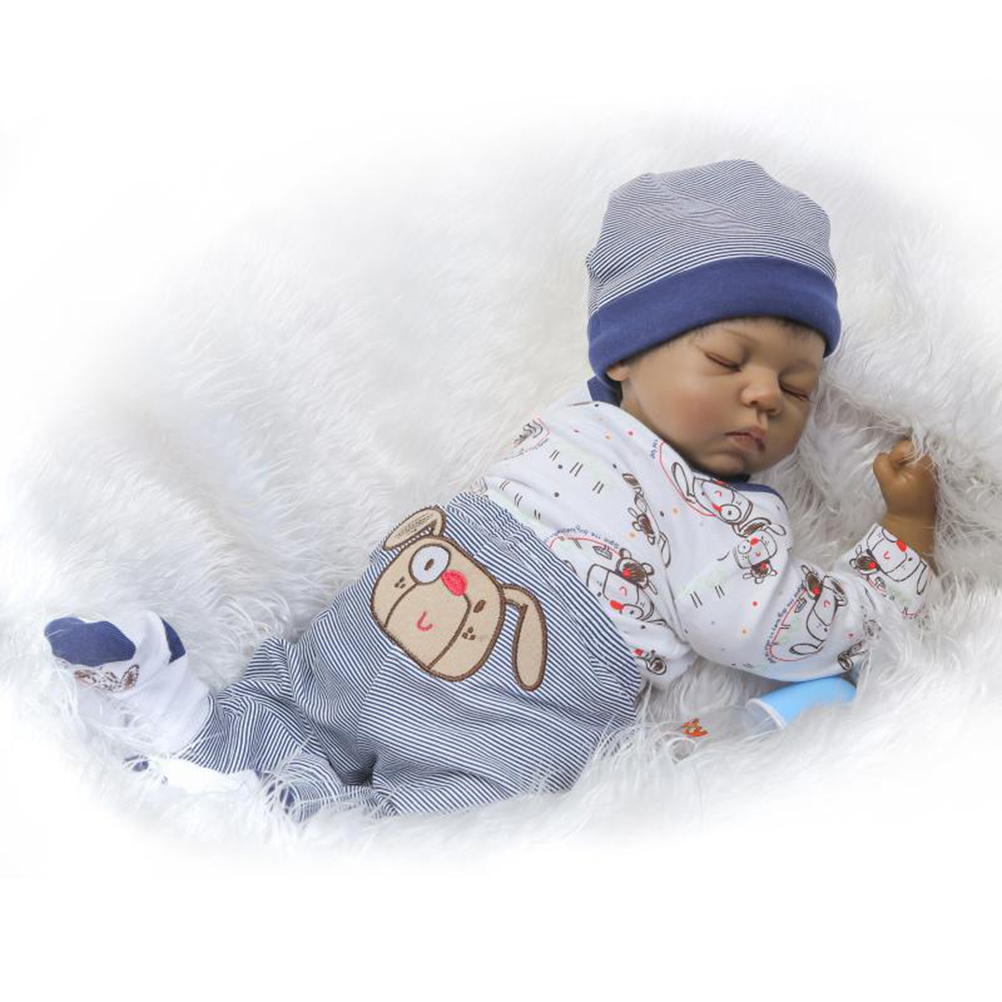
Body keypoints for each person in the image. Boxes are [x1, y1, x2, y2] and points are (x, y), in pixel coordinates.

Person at [43, 159, 939, 820]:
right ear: (625, 358)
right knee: (444, 812)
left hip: (404, 601)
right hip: (510, 689)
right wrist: (901, 546)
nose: (765, 396)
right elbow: (774, 625)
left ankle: (182, 725)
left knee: (303, 700)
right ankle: (257, 797)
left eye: (796, 388)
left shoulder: (578, 428)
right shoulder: (712, 515)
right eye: (729, 359)